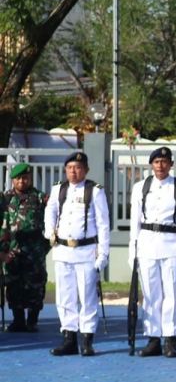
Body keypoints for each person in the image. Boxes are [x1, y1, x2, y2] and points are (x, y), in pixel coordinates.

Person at [129, 147, 176, 358]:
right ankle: (153, 337)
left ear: (171, 164)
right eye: (157, 162)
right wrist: (133, 250)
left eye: (165, 162)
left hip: (172, 244)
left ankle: (170, 338)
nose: (161, 165)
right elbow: (135, 222)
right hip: (148, 244)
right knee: (150, 295)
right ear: (151, 164)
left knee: (172, 295)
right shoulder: (141, 187)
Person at [44, 152, 111, 356]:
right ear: (66, 170)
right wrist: (49, 231)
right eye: (71, 168)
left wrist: (103, 254)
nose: (74, 171)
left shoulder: (95, 191)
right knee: (65, 297)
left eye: (79, 167)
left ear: (86, 170)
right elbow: (50, 211)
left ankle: (87, 339)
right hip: (63, 251)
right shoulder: (59, 189)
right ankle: (69, 338)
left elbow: (103, 225)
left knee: (87, 297)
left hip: (86, 251)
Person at [0, 163, 50, 332]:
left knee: (36, 284)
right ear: (13, 180)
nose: (22, 181)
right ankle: (18, 320)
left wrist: (45, 246)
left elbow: (51, 221)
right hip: (12, 248)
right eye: (18, 178)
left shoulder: (40, 198)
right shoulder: (5, 198)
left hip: (35, 250)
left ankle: (32, 320)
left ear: (30, 178)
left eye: (25, 178)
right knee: (13, 284)